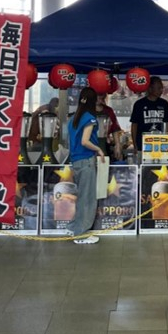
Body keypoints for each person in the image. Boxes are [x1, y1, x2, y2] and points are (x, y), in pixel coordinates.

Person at [66, 87, 109, 245]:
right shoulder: (90, 118)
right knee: (88, 199)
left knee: (81, 197)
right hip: (86, 161)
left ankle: (74, 227)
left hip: (76, 161)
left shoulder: (74, 119)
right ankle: (81, 234)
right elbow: (85, 141)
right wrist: (98, 149)